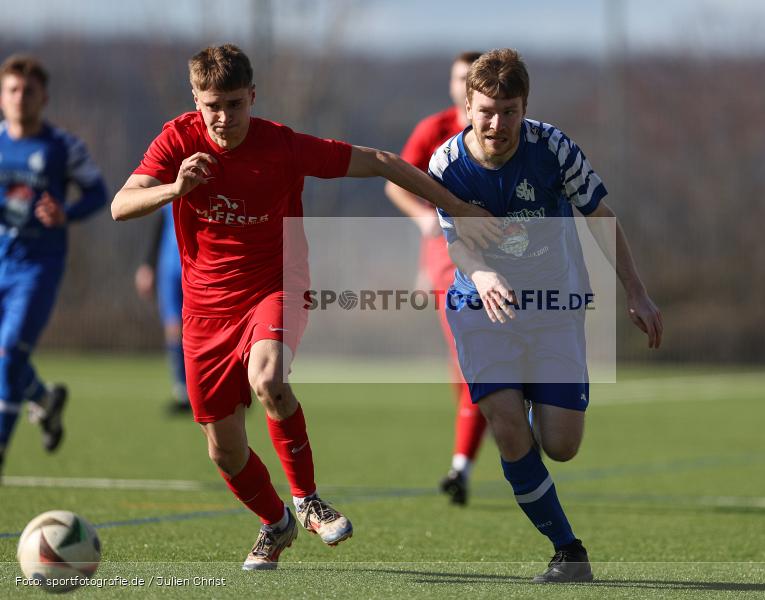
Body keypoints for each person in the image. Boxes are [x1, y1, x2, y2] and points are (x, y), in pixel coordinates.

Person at [111, 44, 496, 571]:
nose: (223, 118)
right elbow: (120, 205)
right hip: (204, 312)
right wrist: (176, 188)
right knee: (223, 451)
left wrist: (455, 207)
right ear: (195, 101)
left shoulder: (284, 147)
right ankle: (275, 523)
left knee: (267, 379)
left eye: (234, 104)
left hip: (276, 286)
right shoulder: (177, 140)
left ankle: (307, 499)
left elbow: (380, 162)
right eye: (211, 106)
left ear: (252, 96)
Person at [429, 49, 663, 583]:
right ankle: (568, 550)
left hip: (556, 305)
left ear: (524, 108)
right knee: (509, 428)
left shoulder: (554, 149)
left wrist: (638, 292)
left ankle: (537, 405)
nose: (497, 123)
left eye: (509, 111)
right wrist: (482, 275)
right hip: (480, 306)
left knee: (561, 445)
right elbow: (457, 245)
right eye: (487, 110)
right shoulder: (445, 165)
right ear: (468, 106)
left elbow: (602, 218)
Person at [384, 51, 486, 506]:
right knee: (469, 359)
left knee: (477, 361)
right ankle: (463, 463)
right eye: (459, 77)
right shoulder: (434, 130)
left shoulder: (505, 131)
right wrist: (425, 221)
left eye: (473, 78)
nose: (464, 85)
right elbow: (394, 184)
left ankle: (466, 459)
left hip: (502, 258)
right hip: (448, 258)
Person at [0, 54, 108, 477]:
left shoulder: (63, 147)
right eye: (12, 90)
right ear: (2, 96)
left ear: (43, 96)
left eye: (28, 91)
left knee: (7, 358)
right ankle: (44, 400)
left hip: (37, 268)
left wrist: (66, 212)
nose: (20, 98)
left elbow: (98, 194)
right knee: (6, 359)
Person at [134, 203, 190, 413]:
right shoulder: (170, 190)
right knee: (174, 328)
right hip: (169, 268)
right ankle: (182, 391)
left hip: (198, 266)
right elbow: (159, 227)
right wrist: (147, 265)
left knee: (212, 327)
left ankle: (231, 389)